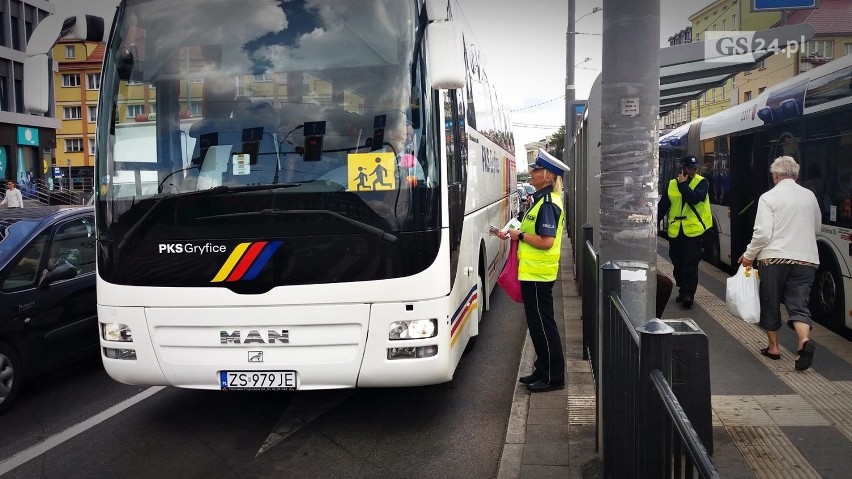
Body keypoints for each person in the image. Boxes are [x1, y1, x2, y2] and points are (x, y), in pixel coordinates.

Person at [738, 156, 821, 372]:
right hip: (806, 259)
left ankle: (773, 347)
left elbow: (763, 233)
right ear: (796, 175)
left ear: (775, 175)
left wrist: (749, 255)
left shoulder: (768, 197)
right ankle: (803, 341)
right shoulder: (810, 196)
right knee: (799, 303)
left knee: (770, 300)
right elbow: (817, 228)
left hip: (774, 259)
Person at [496, 149, 567, 393]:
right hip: (532, 273)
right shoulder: (540, 200)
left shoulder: (547, 203)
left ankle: (553, 377)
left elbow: (546, 241)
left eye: (536, 170)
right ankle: (542, 368)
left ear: (548, 176)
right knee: (537, 325)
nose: (532, 173)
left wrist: (521, 235)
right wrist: (512, 232)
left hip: (538, 275)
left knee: (543, 325)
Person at [657, 155, 711, 308]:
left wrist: (683, 185)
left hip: (694, 231)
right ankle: (682, 288)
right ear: (683, 168)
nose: (693, 171)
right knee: (677, 261)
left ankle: (688, 294)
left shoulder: (702, 182)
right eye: (690, 168)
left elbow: (694, 198)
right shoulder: (672, 184)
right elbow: (663, 206)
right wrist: (654, 224)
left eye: (695, 168)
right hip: (676, 230)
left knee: (690, 263)